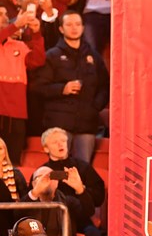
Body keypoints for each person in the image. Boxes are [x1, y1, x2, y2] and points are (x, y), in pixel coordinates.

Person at [30, 11, 109, 164]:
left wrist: (95, 107)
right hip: (59, 124)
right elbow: (38, 87)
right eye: (69, 24)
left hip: (87, 124)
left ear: (83, 28)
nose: (74, 28)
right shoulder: (52, 56)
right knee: (59, 167)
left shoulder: (94, 56)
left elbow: (105, 86)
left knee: (83, 168)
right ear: (61, 29)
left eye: (78, 24)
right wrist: (62, 89)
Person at [0, 3, 43, 165]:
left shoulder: (19, 45)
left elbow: (37, 60)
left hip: (16, 112)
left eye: (6, 14)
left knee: (13, 163)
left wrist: (36, 33)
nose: (5, 17)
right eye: (0, 14)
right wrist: (16, 25)